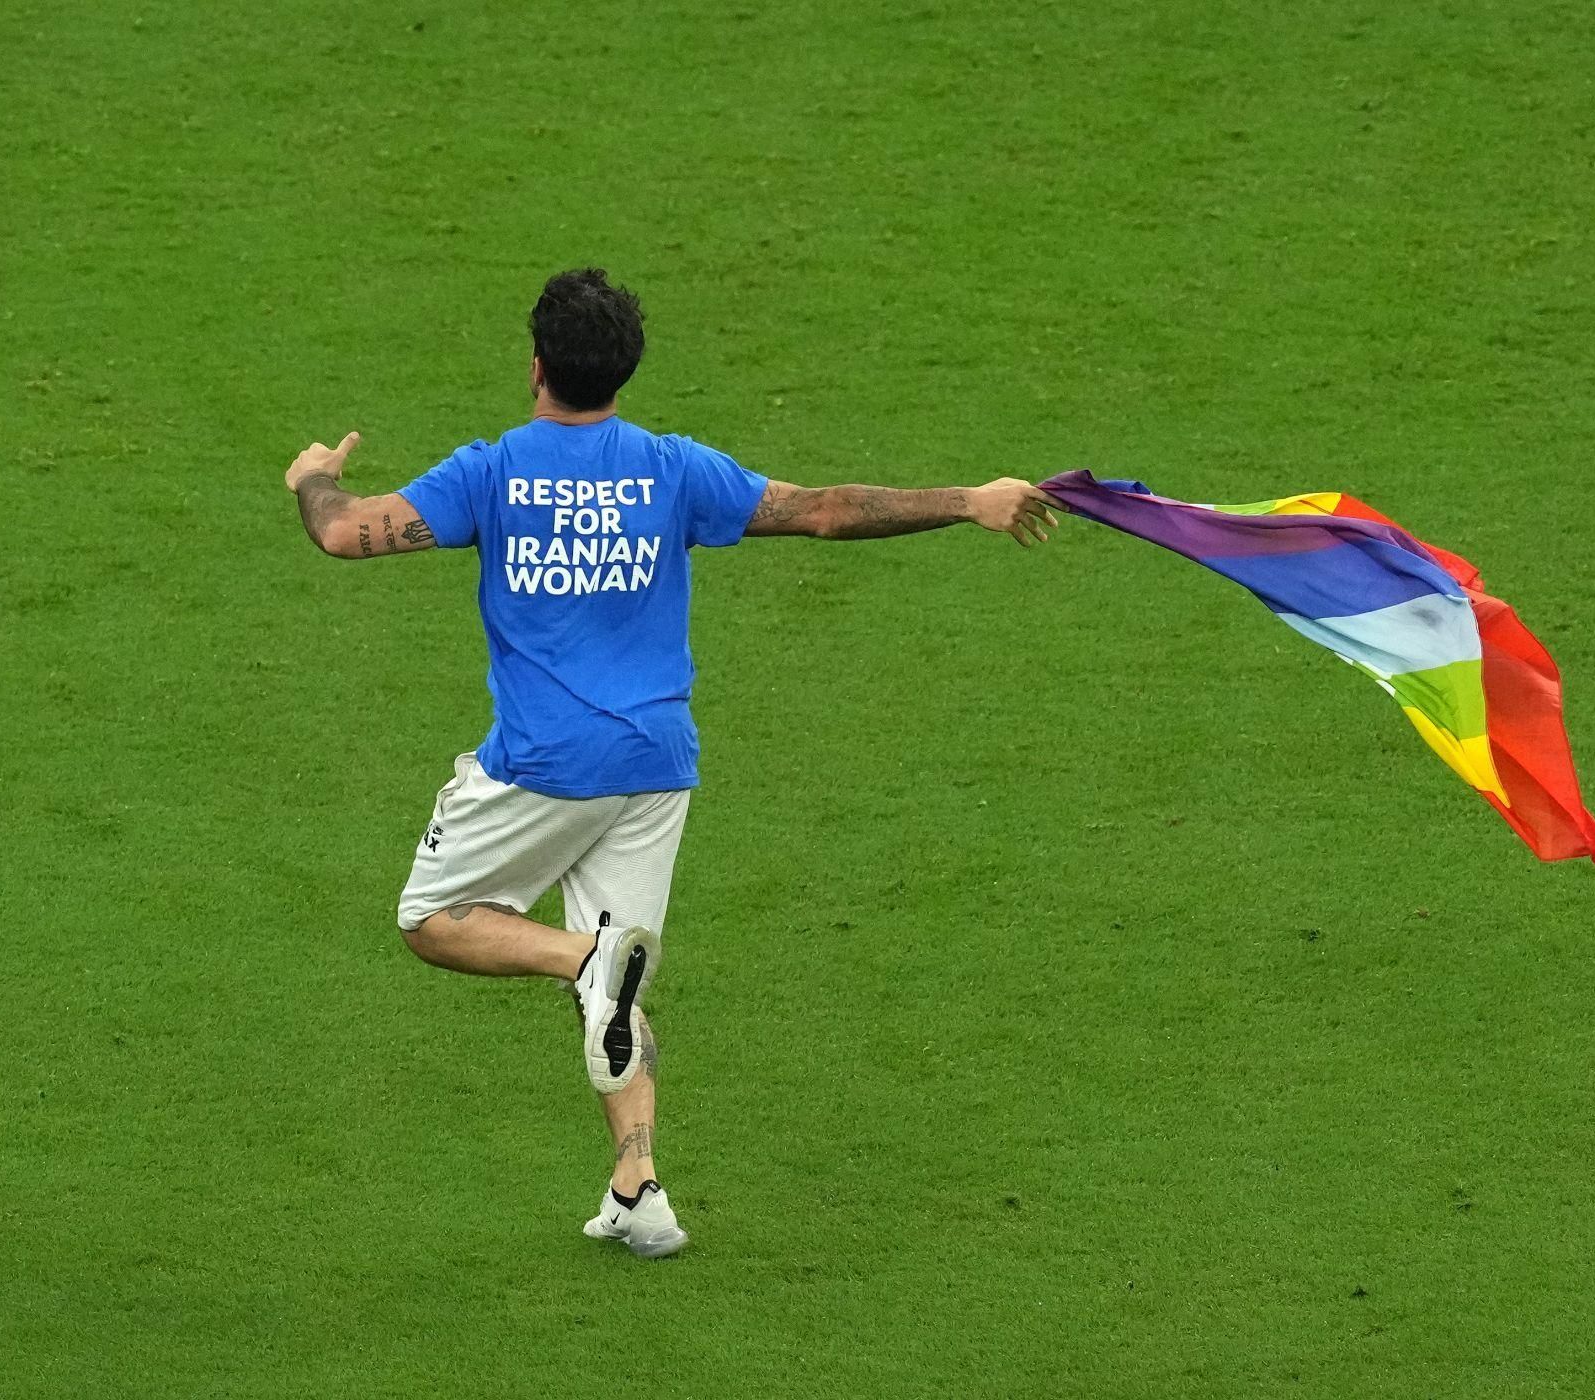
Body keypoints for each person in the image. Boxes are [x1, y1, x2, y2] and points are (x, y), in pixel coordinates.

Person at [282, 268, 1058, 1258]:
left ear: (535, 366)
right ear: (622, 372)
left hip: (543, 764)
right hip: (656, 764)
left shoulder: (492, 471)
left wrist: (311, 472)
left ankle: (584, 955)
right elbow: (823, 508)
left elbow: (346, 531)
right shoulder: (671, 468)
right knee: (617, 989)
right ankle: (638, 1181)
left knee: (434, 920)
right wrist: (967, 498)